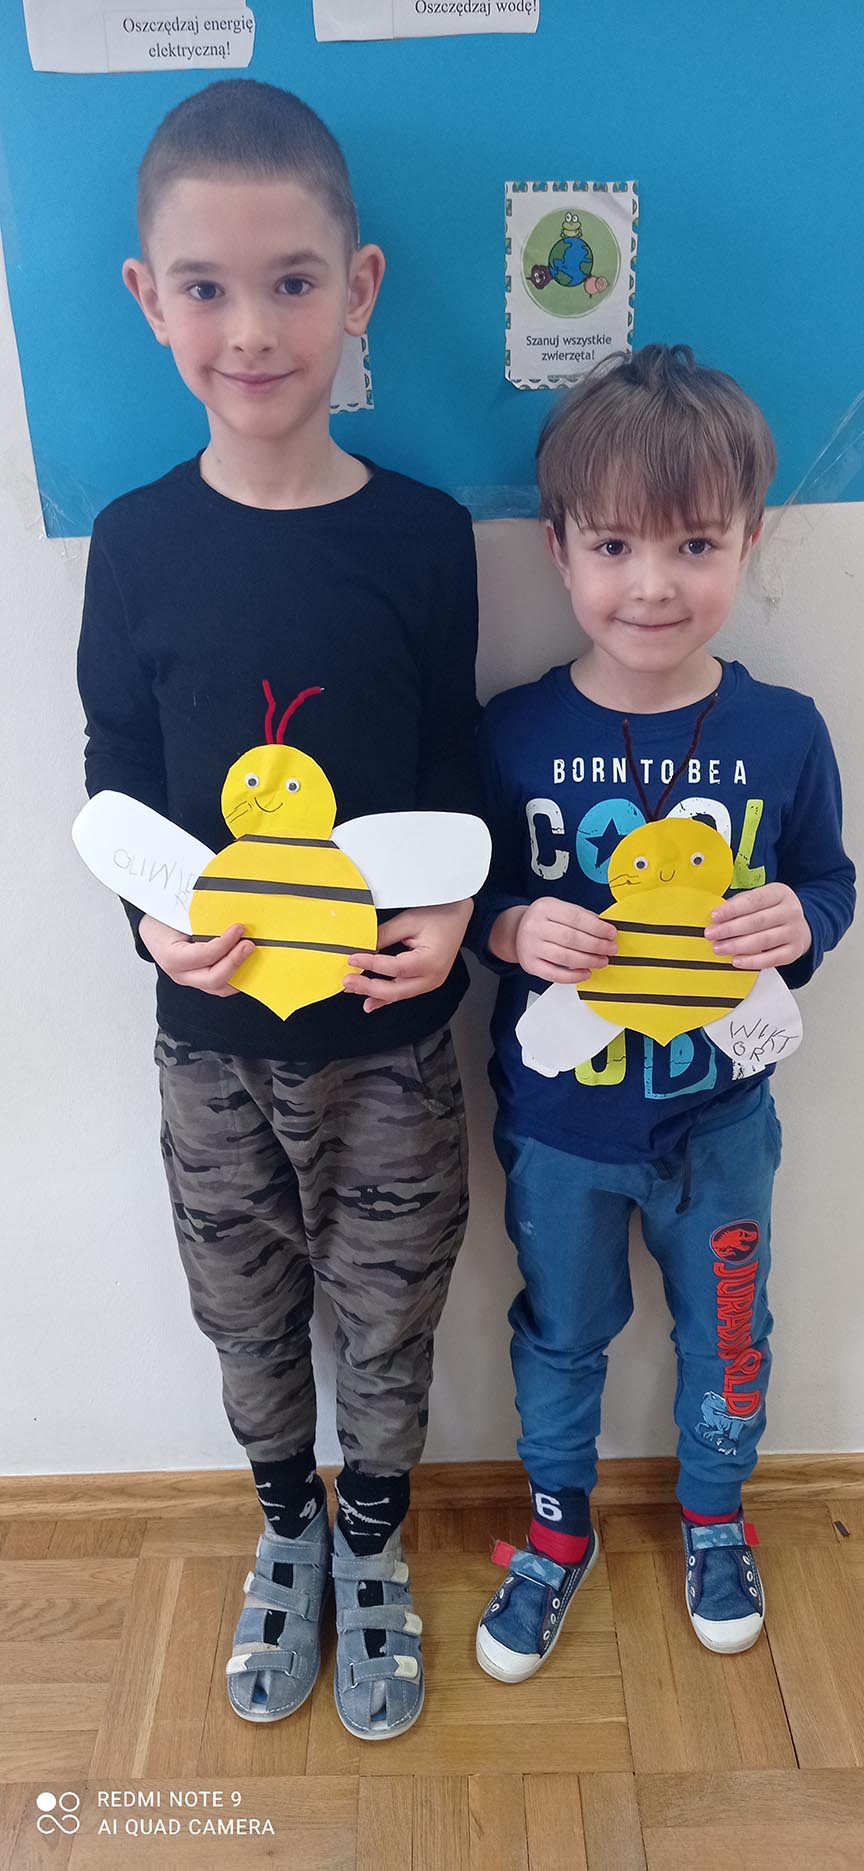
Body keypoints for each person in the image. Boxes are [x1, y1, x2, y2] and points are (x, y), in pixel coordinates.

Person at [77, 78, 480, 1741]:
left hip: (392, 1040)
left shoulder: (425, 536)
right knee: (243, 1306)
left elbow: (454, 762)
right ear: (148, 298)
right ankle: (287, 1530)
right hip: (211, 1041)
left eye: (293, 282)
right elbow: (114, 768)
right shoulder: (134, 540)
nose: (250, 330)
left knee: (391, 1305)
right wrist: (148, 928)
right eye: (207, 287)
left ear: (359, 287)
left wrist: (457, 913)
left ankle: (371, 1539)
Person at [469, 343, 855, 1680]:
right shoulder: (508, 733)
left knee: (728, 1333)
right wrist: (512, 927)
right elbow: (466, 901)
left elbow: (829, 880)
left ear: (750, 539)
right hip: (561, 1129)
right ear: (558, 549)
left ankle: (714, 1516)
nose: (652, 585)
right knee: (562, 1332)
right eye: (615, 545)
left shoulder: (785, 732)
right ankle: (555, 1527)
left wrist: (803, 922)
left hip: (723, 1125)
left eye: (695, 544)